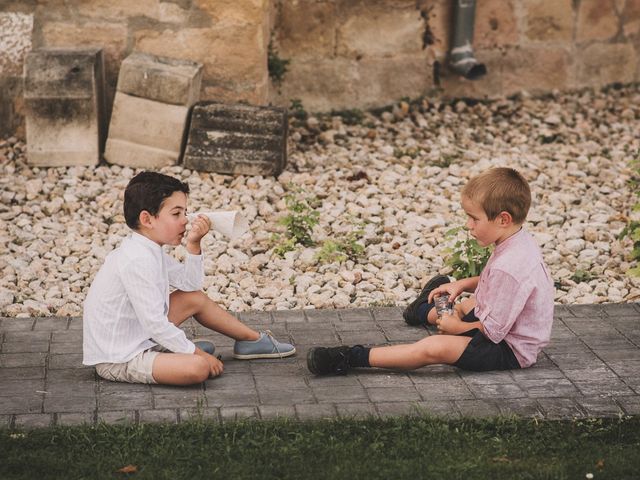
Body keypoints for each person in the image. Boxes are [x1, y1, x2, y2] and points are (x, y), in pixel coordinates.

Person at [307, 167, 554, 375]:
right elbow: (499, 284)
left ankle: (349, 358)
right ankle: (422, 310)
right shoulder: (518, 241)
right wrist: (461, 285)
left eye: (474, 219)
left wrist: (456, 329)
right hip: (500, 327)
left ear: (503, 219)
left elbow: (493, 332)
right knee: (464, 306)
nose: (468, 226)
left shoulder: (508, 265)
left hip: (507, 349)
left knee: (435, 347)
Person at [83, 171, 295, 386]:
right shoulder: (137, 260)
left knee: (193, 298)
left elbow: (191, 286)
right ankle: (177, 352)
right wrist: (197, 355)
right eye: (176, 214)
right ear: (147, 219)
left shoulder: (149, 250)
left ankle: (251, 341)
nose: (185, 221)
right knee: (198, 368)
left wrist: (193, 245)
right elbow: (154, 323)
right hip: (119, 357)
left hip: (138, 336)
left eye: (185, 212)